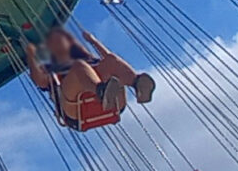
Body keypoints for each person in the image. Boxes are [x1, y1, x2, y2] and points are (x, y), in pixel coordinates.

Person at [23, 27, 155, 120]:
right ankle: (101, 91)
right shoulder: (54, 69)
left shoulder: (89, 60)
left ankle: (137, 84)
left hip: (113, 103)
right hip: (75, 108)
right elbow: (39, 80)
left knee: (111, 59)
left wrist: (93, 41)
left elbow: (108, 57)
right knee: (80, 67)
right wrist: (30, 56)